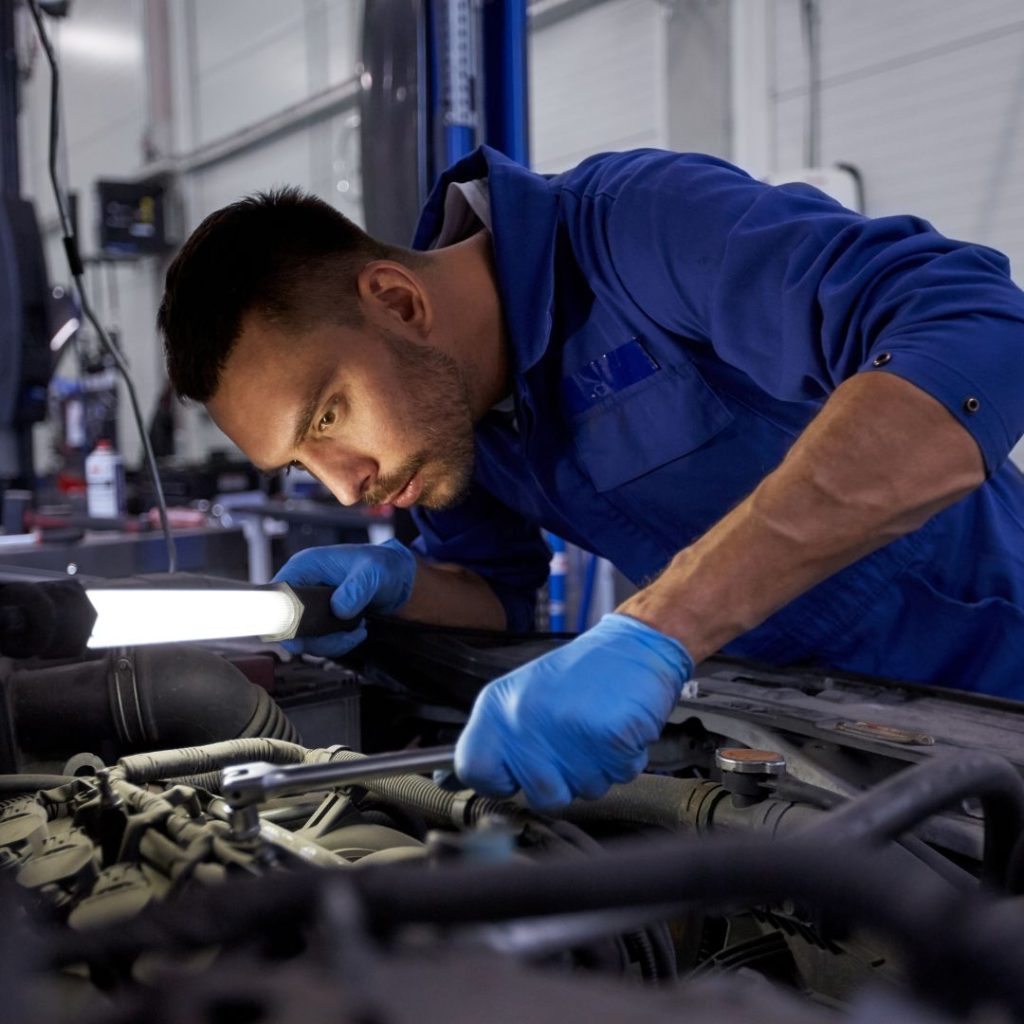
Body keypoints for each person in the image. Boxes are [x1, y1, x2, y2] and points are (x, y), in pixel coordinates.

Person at [158, 146, 1024, 810]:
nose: (344, 488)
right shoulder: (453, 427)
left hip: (996, 691)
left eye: (326, 418)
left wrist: (661, 626)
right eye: (302, 461)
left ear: (397, 300)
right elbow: (498, 599)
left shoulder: (638, 227)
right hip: (795, 741)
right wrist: (395, 589)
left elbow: (977, 329)